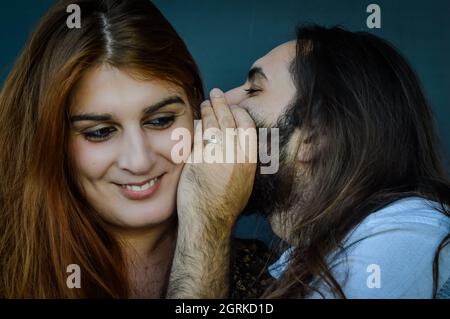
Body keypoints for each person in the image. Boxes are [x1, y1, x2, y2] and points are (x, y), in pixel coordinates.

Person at [168, 25, 450, 298]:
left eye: (254, 90)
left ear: (315, 135)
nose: (222, 101)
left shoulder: (398, 244)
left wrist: (206, 221)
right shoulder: (332, 251)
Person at [0, 0, 205, 298]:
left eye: (160, 121)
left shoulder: (270, 276)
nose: (139, 161)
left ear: (198, 113)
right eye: (100, 132)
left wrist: (206, 236)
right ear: (49, 140)